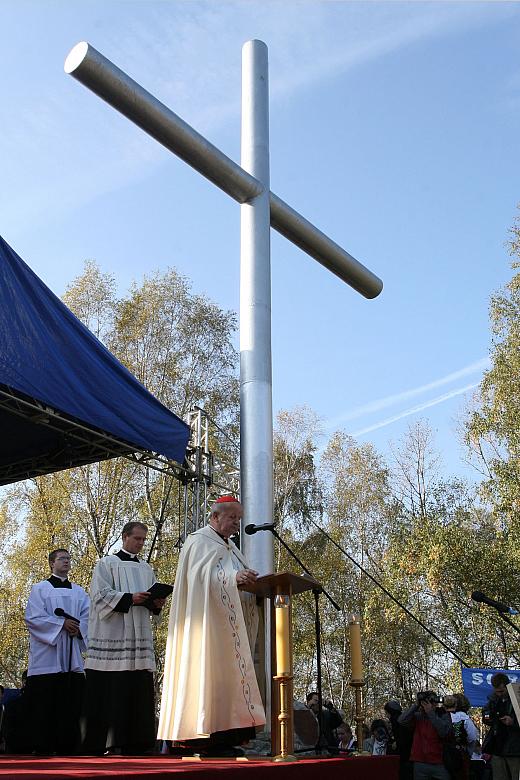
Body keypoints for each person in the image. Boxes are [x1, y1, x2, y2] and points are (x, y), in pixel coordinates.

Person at [158, 495, 266, 758]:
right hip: (205, 630)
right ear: (215, 516)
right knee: (206, 675)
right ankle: (202, 739)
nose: (236, 525)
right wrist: (233, 578)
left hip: (226, 630)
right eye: (232, 518)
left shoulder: (231, 548)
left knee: (225, 680)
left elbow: (229, 576)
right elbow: (197, 580)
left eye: (239, 519)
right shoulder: (199, 541)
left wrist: (251, 582)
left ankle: (225, 738)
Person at [82, 522, 166, 755]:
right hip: (114, 633)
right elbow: (100, 597)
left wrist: (156, 603)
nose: (140, 543)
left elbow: (150, 599)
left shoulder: (147, 568)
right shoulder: (107, 564)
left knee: (137, 689)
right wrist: (130, 598)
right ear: (125, 537)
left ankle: (137, 741)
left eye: (143, 540)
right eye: (137, 539)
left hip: (138, 634)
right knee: (111, 690)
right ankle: (105, 741)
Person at [24, 549, 89, 754]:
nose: (67, 562)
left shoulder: (79, 592)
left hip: (71, 653)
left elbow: (89, 617)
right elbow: (33, 618)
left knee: (69, 704)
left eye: (69, 559)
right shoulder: (40, 589)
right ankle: (42, 745)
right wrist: (60, 625)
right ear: (52, 563)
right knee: (45, 703)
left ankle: (68, 746)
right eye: (62, 559)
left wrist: (79, 628)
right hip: (48, 655)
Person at [399, 691, 453, 780]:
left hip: (439, 762)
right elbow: (401, 720)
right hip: (420, 761)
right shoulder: (418, 716)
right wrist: (416, 705)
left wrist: (431, 713)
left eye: (431, 702)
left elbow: (443, 732)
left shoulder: (443, 715)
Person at [481, 672, 520, 780]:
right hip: (497, 748)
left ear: (507, 686)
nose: (499, 694)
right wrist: (489, 718)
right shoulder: (493, 699)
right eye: (497, 691)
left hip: (515, 749)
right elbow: (486, 714)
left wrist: (513, 723)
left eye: (502, 691)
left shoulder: (517, 698)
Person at [443, 694, 478, 780]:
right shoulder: (464, 718)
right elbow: (472, 737)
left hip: (442, 755)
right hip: (460, 755)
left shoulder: (440, 717)